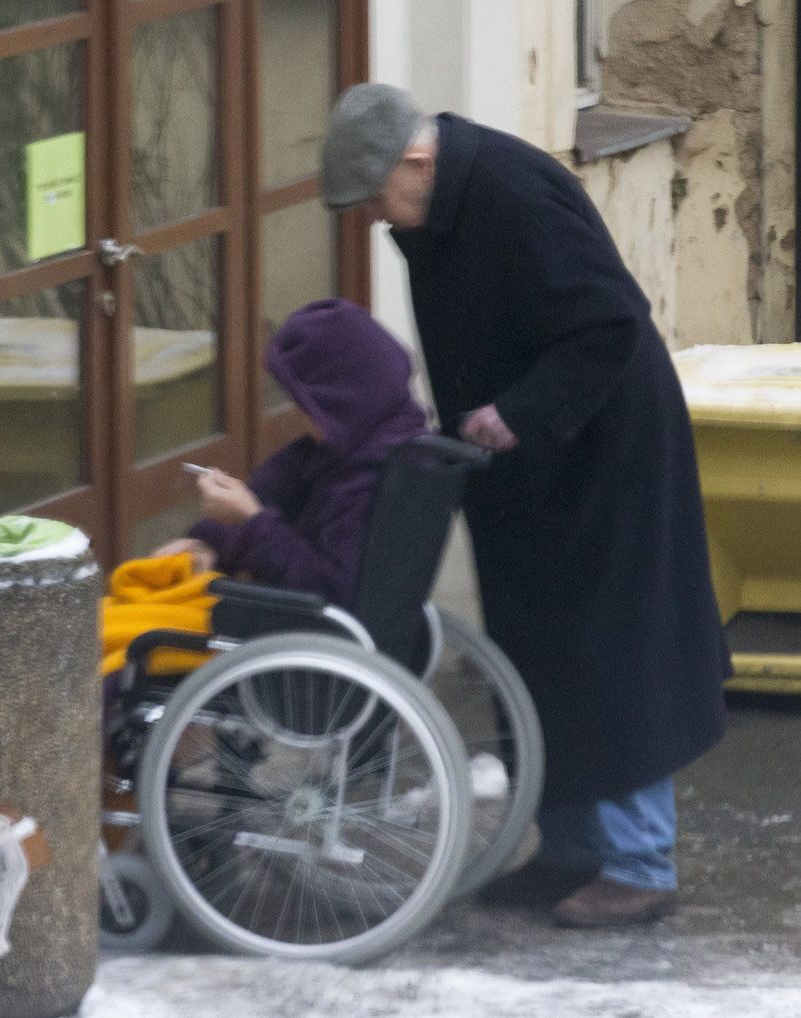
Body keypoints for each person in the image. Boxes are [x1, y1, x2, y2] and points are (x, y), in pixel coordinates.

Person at [320, 84, 730, 928]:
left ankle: (640, 864)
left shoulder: (514, 191)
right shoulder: (446, 198)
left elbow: (611, 321)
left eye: (375, 196)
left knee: (612, 654)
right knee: (540, 654)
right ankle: (572, 850)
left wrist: (518, 413)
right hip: (527, 463)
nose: (372, 216)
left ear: (416, 161)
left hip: (603, 455)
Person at [101, 296, 428, 679]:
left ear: (342, 397)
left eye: (306, 402)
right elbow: (268, 490)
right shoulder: (346, 442)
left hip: (302, 638)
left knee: (117, 647)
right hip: (277, 614)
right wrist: (206, 541)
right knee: (115, 614)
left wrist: (251, 520)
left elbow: (330, 593)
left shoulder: (370, 477)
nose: (299, 412)